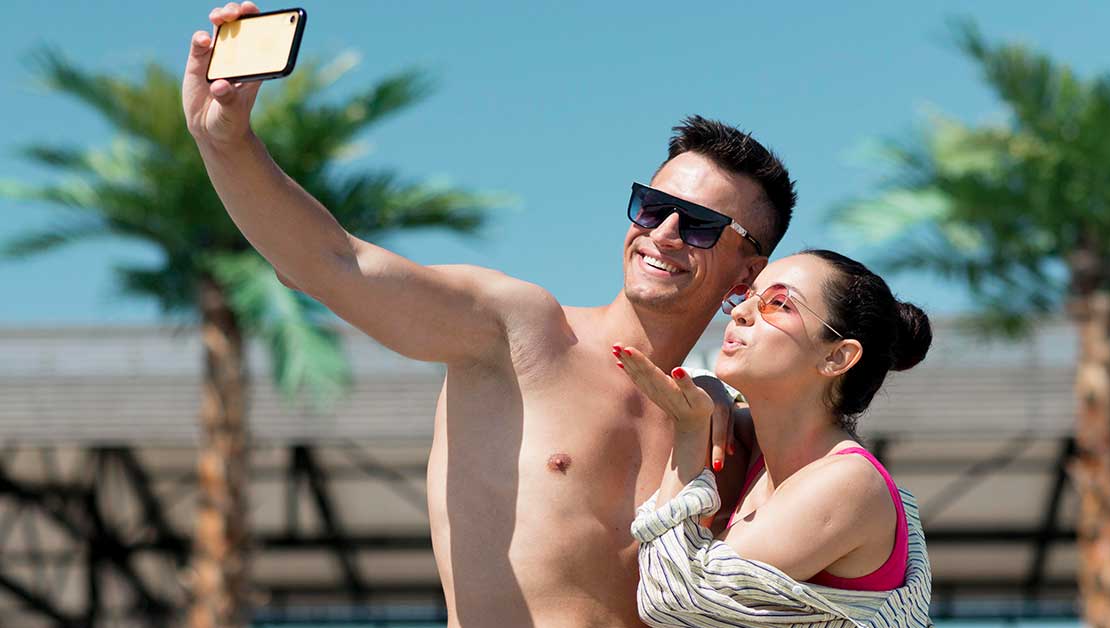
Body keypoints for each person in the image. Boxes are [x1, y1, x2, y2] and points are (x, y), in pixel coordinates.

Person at [183, 3, 796, 625]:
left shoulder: (724, 428)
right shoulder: (519, 331)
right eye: (652, 206)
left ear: (747, 273)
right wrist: (226, 143)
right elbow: (334, 263)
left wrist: (725, 401)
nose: (662, 234)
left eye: (699, 226)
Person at [613, 249, 933, 627]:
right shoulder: (758, 446)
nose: (740, 311)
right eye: (748, 295)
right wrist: (710, 388)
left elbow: (673, 599)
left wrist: (690, 431)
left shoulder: (851, 483)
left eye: (779, 304)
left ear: (837, 357)